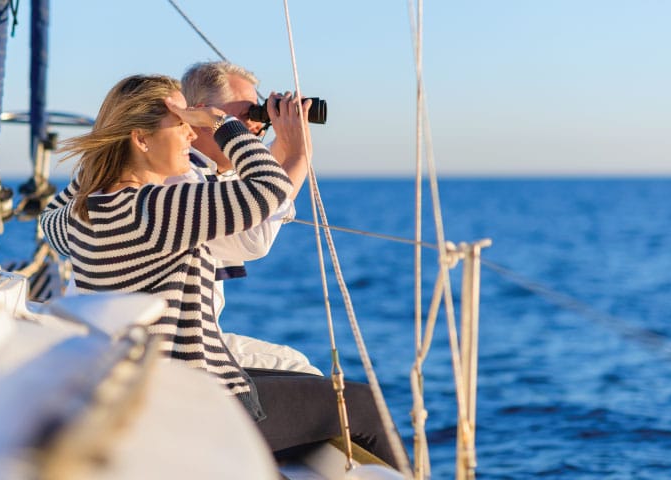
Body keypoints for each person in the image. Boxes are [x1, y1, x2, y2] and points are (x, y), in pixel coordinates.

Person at [39, 74, 403, 468]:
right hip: (192, 406)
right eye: (182, 124)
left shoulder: (81, 215)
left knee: (313, 385)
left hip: (146, 394)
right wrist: (221, 123)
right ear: (140, 140)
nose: (193, 136)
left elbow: (48, 218)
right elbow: (269, 190)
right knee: (363, 406)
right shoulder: (159, 208)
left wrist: (105, 152)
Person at [177, 61, 319, 373]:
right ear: (203, 117)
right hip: (175, 347)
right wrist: (299, 156)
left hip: (187, 337)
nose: (255, 127)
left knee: (300, 364)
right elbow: (254, 240)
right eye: (245, 117)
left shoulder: (209, 173)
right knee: (304, 375)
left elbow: (256, 186)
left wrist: (282, 140)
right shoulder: (181, 178)